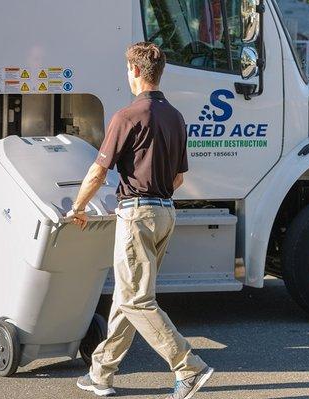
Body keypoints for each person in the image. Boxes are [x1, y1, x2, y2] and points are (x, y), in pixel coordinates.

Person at [67, 42, 214, 399]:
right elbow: (179, 178)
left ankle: (188, 367)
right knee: (128, 296)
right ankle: (101, 373)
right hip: (165, 213)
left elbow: (98, 171)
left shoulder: (127, 116)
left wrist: (78, 207)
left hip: (138, 214)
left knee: (136, 301)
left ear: (134, 71)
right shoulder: (175, 117)